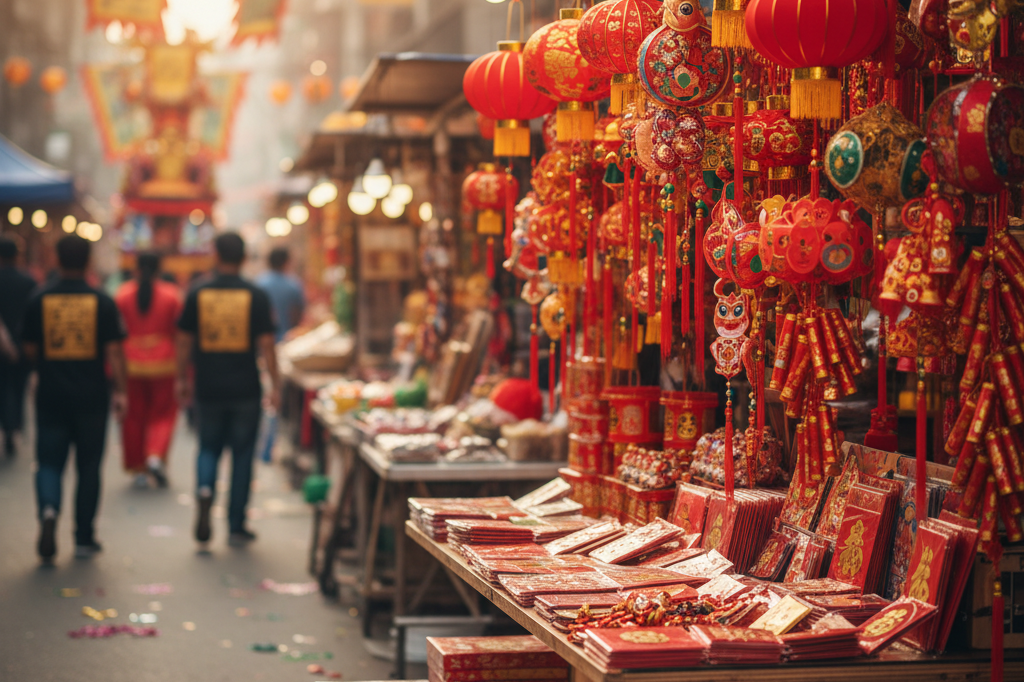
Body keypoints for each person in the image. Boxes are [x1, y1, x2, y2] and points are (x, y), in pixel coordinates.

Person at [20, 235, 127, 562]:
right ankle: (83, 536)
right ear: (89, 261)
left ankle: (50, 510)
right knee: (89, 466)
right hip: (92, 397)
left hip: (51, 394)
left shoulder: (40, 298)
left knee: (49, 462)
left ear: (57, 258)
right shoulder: (102, 301)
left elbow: (29, 348)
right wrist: (121, 390)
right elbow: (114, 352)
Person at [176, 232, 279, 547]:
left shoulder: (198, 292)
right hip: (245, 387)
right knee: (242, 455)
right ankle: (236, 524)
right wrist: (274, 382)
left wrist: (182, 378)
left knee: (208, 448)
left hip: (208, 386)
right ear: (244, 257)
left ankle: (206, 490)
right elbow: (266, 344)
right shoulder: (255, 294)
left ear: (215, 254)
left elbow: (183, 341)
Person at [115, 252, 182, 488]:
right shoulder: (172, 295)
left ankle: (138, 467)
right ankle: (155, 455)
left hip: (130, 363)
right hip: (164, 363)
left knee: (133, 416)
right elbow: (179, 333)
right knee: (163, 413)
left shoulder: (122, 295)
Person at [0, 236, 36, 457]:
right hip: (23, 345)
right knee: (19, 388)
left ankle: (6, 425)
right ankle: (14, 427)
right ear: (17, 256)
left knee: (2, 387)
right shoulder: (29, 282)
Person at [255, 246, 305, 342]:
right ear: (286, 262)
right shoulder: (293, 284)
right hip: (287, 338)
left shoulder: (259, 283)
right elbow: (297, 313)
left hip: (263, 340)